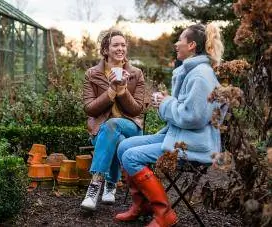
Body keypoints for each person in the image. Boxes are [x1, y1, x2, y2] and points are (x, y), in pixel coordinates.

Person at [115, 23, 224, 227]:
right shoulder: (192, 71)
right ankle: (142, 206)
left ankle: (164, 213)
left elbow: (194, 117)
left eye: (180, 39)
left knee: (131, 157)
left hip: (193, 144)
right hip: (178, 134)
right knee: (124, 146)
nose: (176, 43)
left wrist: (166, 103)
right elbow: (186, 109)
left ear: (191, 45)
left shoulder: (200, 75)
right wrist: (166, 101)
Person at [80, 30, 145, 211]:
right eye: (116, 45)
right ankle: (110, 183)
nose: (120, 48)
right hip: (101, 131)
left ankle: (94, 187)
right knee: (115, 137)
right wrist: (110, 91)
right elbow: (89, 108)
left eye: (123, 45)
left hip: (131, 127)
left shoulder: (136, 73)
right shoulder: (92, 74)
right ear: (105, 50)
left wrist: (122, 90)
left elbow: (137, 109)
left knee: (113, 125)